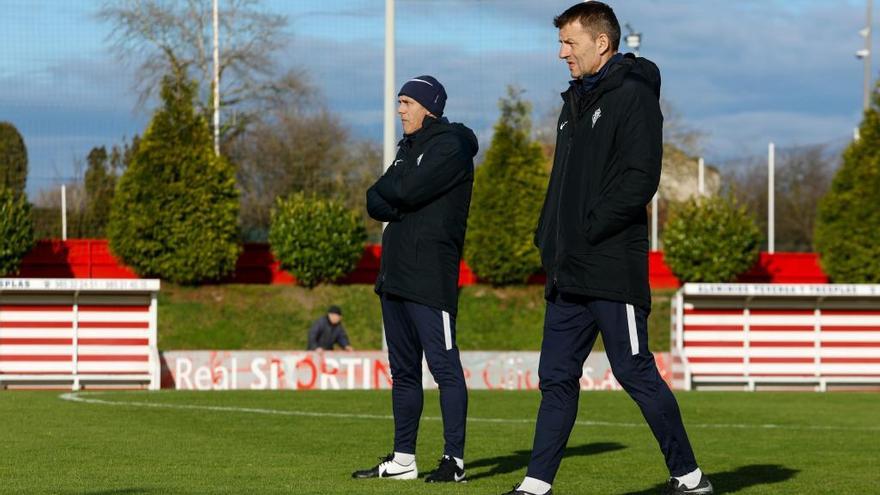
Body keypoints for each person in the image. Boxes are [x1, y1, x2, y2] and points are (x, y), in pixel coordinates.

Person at [503, 3, 713, 495]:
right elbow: (562, 183)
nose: (561, 53)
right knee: (555, 377)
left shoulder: (634, 96)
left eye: (569, 43)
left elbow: (641, 178)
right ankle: (536, 486)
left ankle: (690, 478)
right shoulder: (572, 101)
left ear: (602, 43)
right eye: (560, 43)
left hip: (610, 265)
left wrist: (587, 230)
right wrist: (548, 236)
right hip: (567, 268)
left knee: (633, 371)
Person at [352, 75, 478, 484]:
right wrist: (396, 189)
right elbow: (376, 200)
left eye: (406, 102)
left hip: (430, 278)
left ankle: (453, 461)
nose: (400, 110)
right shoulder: (408, 149)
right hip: (395, 278)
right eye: (399, 102)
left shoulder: (452, 146)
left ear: (428, 106)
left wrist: (397, 191)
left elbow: (405, 191)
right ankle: (404, 459)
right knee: (404, 373)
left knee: (444, 370)